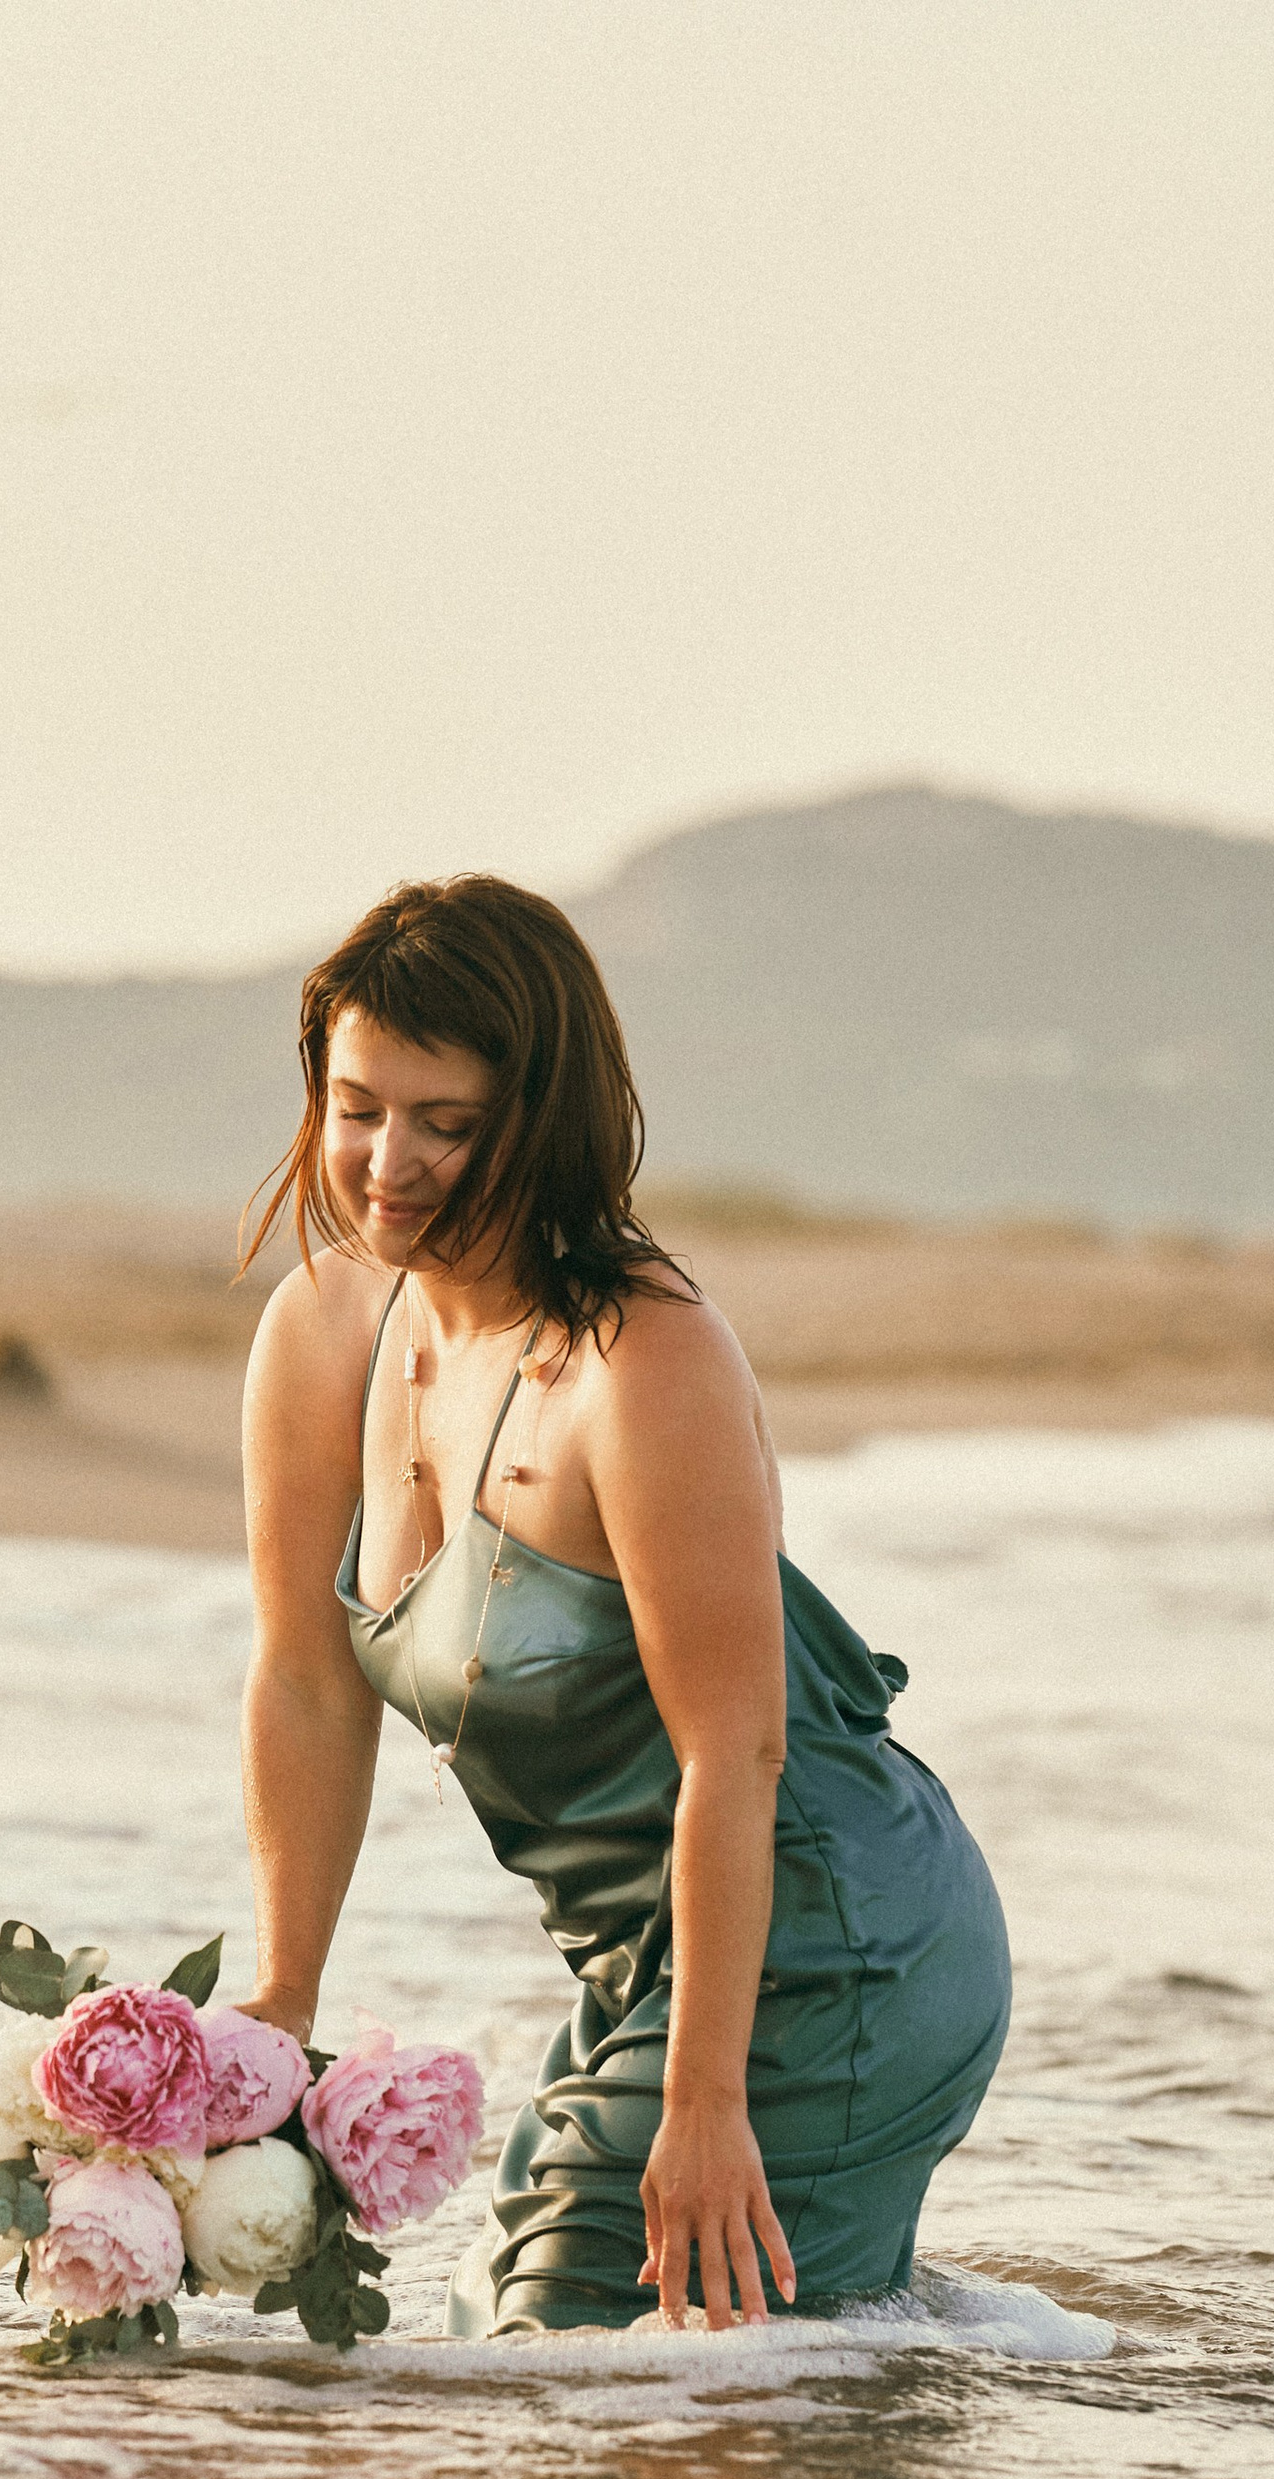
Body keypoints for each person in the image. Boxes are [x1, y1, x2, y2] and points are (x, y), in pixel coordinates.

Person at [235, 874, 1011, 2336]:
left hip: (838, 1946)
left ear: (539, 1118)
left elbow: (739, 1752)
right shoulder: (327, 1330)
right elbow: (305, 1681)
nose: (383, 1162)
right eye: (356, 1105)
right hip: (648, 1965)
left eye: (443, 1124)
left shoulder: (641, 1360)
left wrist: (707, 2103)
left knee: (586, 2366)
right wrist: (280, 2001)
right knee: (535, 2344)